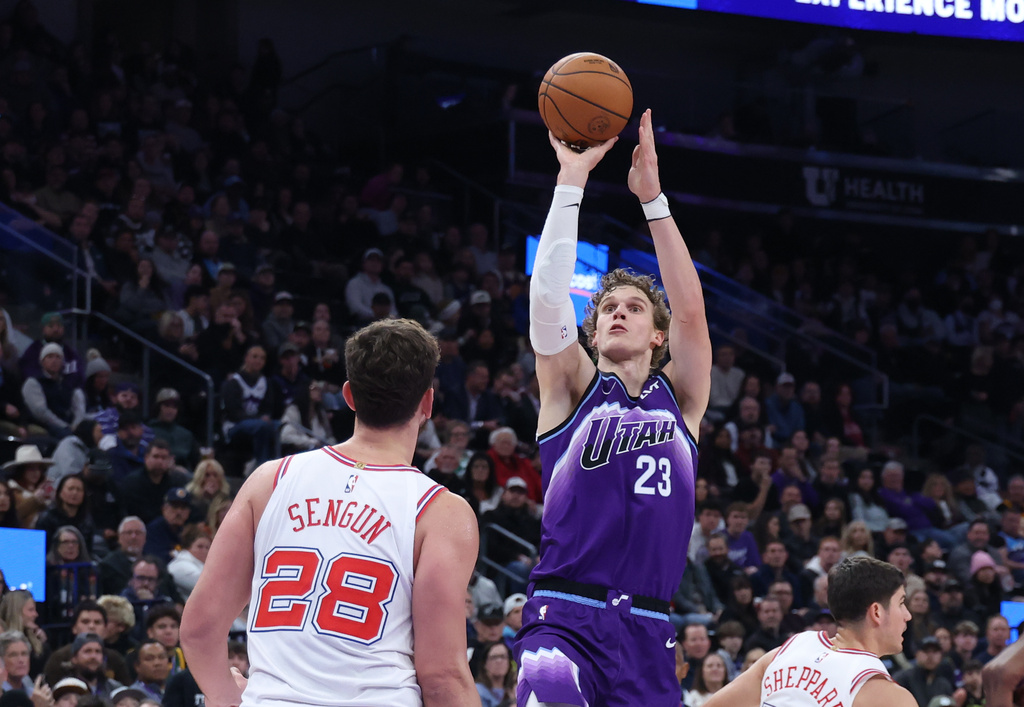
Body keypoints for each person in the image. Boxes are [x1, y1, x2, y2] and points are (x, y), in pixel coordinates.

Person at [513, 110, 711, 706]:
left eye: (634, 308)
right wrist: (570, 178)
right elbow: (547, 300)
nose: (618, 312)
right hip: (565, 618)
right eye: (607, 309)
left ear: (657, 336)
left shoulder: (681, 400)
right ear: (593, 334)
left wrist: (653, 201)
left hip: (650, 631)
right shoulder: (571, 385)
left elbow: (693, 313)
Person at [180, 318, 479, 707]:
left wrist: (228, 699)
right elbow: (442, 677)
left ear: (349, 396)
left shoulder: (270, 480)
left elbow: (200, 629)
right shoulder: (441, 512)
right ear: (428, 402)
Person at [704, 555, 916, 707]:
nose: (908, 615)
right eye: (901, 603)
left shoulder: (790, 649)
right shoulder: (886, 695)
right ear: (877, 612)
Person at [471, 641, 516, 707]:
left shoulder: (514, 688)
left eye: (503, 656)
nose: (499, 661)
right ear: (484, 664)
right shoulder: (477, 690)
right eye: (494, 657)